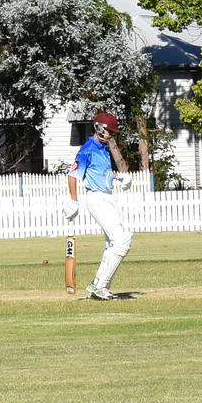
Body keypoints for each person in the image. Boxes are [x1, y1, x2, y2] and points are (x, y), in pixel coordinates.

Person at [64, 112, 133, 301]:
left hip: (108, 197)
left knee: (113, 244)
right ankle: (99, 285)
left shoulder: (103, 148)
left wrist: (119, 177)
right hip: (97, 199)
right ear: (100, 128)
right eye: (110, 131)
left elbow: (102, 172)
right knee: (122, 241)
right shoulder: (87, 149)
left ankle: (99, 285)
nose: (112, 135)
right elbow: (72, 175)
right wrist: (73, 200)